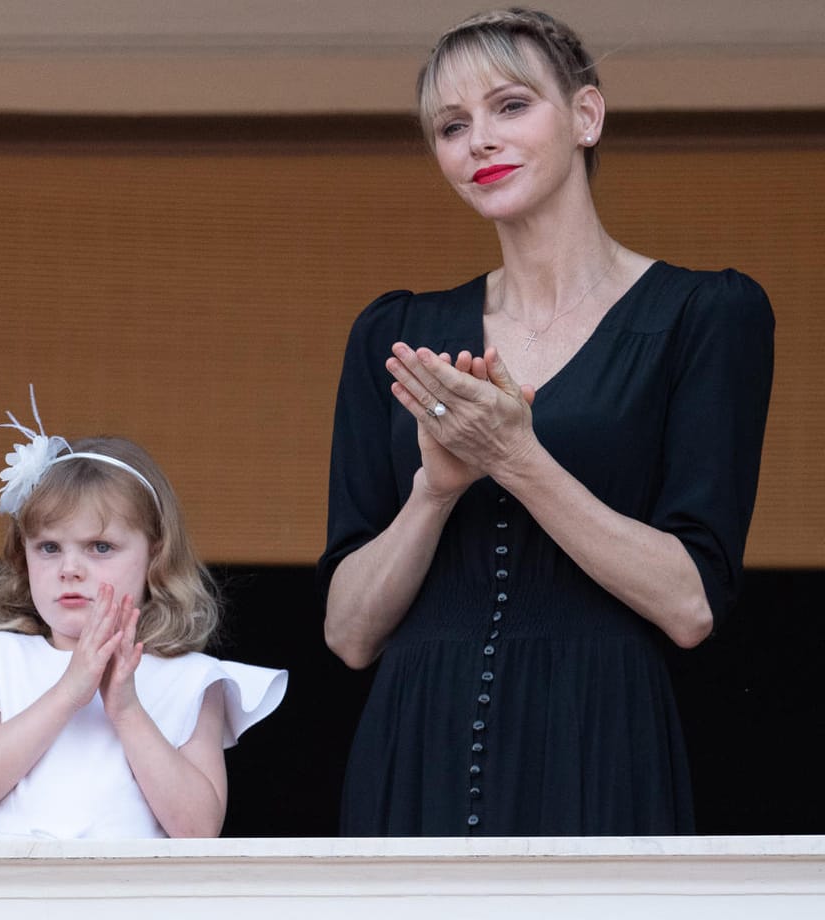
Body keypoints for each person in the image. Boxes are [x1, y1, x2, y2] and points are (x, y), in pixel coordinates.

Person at [320, 8, 775, 836]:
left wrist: (517, 459)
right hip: (412, 737)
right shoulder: (392, 335)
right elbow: (349, 634)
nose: (478, 141)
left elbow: (691, 603)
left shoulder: (707, 315)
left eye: (511, 106)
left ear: (586, 117)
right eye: (451, 126)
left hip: (597, 734)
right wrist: (434, 491)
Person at [0, 393, 286, 841]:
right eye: (49, 547)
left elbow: (198, 829)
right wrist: (69, 692)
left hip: (129, 905)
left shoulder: (190, 680)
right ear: (24, 558)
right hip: (9, 903)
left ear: (155, 555)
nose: (70, 569)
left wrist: (127, 709)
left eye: (100, 547)